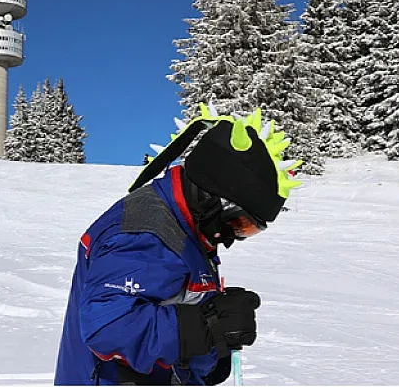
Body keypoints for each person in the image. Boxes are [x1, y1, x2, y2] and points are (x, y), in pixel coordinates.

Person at [54, 105, 302, 385]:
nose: (235, 237)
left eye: (249, 230)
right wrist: (210, 326)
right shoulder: (145, 234)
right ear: (214, 198)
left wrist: (213, 352)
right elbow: (107, 327)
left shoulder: (187, 228)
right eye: (239, 223)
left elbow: (177, 317)